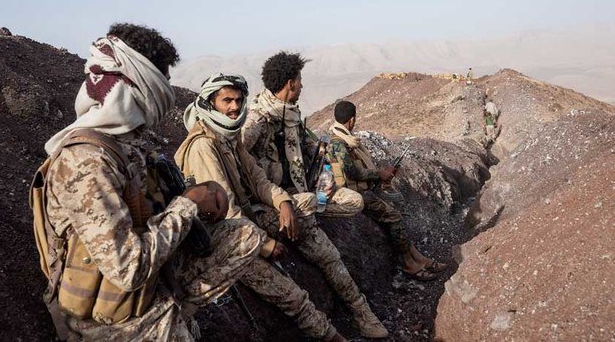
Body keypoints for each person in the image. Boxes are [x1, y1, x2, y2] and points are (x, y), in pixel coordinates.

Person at [40, 23, 268, 341]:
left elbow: (150, 212)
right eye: (161, 82)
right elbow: (128, 269)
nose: (165, 94)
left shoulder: (126, 144)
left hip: (150, 280)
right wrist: (189, 205)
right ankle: (163, 320)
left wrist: (199, 195)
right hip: (110, 319)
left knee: (243, 236)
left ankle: (173, 310)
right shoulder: (87, 161)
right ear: (140, 84)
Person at [175, 74, 388, 339]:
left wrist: (283, 202)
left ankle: (360, 311)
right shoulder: (204, 146)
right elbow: (228, 209)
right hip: (229, 239)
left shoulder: (228, 138)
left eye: (238, 100)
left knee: (310, 211)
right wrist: (264, 245)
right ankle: (332, 336)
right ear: (209, 103)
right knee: (293, 296)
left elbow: (258, 179)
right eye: (226, 100)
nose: (234, 107)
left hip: (252, 217)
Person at [327, 100, 448, 281]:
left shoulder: (346, 140)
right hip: (355, 194)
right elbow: (351, 171)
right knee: (393, 216)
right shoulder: (339, 143)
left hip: (364, 189)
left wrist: (383, 174)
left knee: (395, 208)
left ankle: (418, 258)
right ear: (351, 120)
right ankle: (409, 263)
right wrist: (379, 174)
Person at [242, 51, 364, 217]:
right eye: (300, 81)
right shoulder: (258, 119)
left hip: (300, 189)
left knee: (354, 201)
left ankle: (305, 210)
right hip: (272, 197)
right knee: (309, 202)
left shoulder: (292, 115)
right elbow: (237, 157)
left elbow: (310, 148)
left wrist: (325, 177)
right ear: (291, 84)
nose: (302, 86)